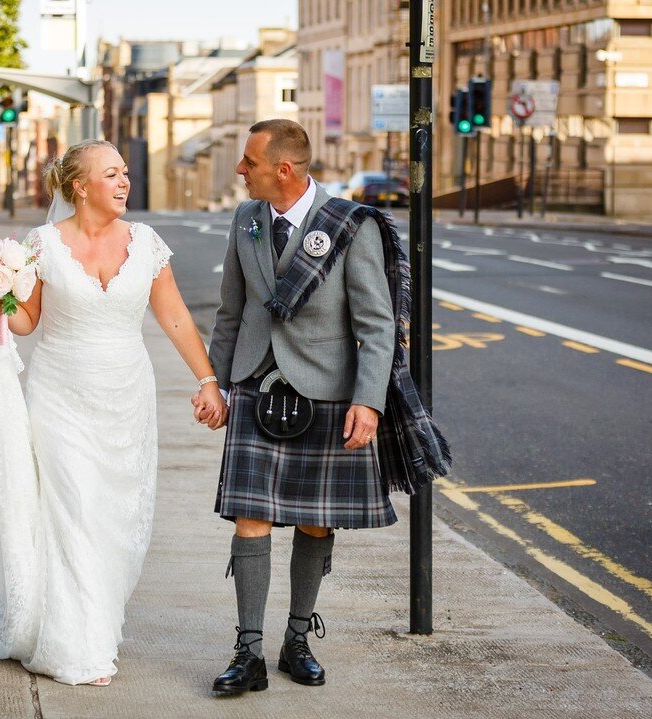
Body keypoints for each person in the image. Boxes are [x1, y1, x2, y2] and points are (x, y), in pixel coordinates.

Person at [0, 139, 227, 687]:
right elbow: (26, 322)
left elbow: (177, 320)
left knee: (112, 518)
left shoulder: (147, 244)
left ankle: (95, 620)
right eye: (112, 174)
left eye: (125, 174)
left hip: (126, 397)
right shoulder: (42, 244)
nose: (124, 183)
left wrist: (207, 381)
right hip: (60, 394)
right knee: (72, 510)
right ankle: (78, 646)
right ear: (79, 185)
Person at [198, 119, 398, 694]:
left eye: (249, 163)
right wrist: (215, 382)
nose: (241, 171)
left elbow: (377, 325)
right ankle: (249, 652)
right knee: (250, 517)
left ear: (282, 170)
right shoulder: (246, 220)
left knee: (315, 520)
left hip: (327, 393)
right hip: (257, 389)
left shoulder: (348, 225)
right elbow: (230, 314)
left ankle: (296, 641)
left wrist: (369, 401)